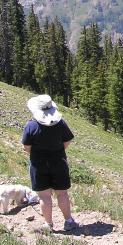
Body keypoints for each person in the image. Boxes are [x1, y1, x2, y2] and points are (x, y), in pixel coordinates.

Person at [22, 94, 79, 233]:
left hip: (38, 164)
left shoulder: (31, 126)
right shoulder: (60, 124)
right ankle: (69, 221)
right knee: (62, 194)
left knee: (44, 196)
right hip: (59, 162)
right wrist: (58, 151)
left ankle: (49, 224)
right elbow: (67, 141)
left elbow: (26, 147)